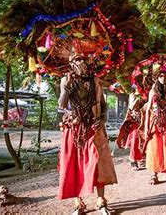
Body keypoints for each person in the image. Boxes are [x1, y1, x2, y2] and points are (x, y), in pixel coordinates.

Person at [58, 53, 117, 215]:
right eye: (77, 59)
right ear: (71, 63)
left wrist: (103, 119)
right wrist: (67, 87)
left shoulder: (95, 81)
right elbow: (62, 105)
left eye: (84, 58)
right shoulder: (66, 80)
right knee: (74, 163)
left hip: (93, 126)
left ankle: (101, 200)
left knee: (97, 161)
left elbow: (103, 105)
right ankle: (78, 203)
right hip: (74, 128)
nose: (81, 62)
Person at [144, 69, 166, 185]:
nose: (163, 78)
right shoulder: (153, 91)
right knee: (155, 148)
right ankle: (154, 174)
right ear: (157, 77)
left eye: (165, 76)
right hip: (155, 124)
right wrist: (146, 128)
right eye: (161, 76)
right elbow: (148, 110)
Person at [116, 94, 146, 171]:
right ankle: (133, 161)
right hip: (134, 129)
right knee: (134, 143)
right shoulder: (130, 111)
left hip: (143, 128)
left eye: (136, 103)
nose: (135, 105)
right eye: (134, 104)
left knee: (145, 143)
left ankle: (142, 159)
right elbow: (127, 121)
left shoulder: (143, 109)